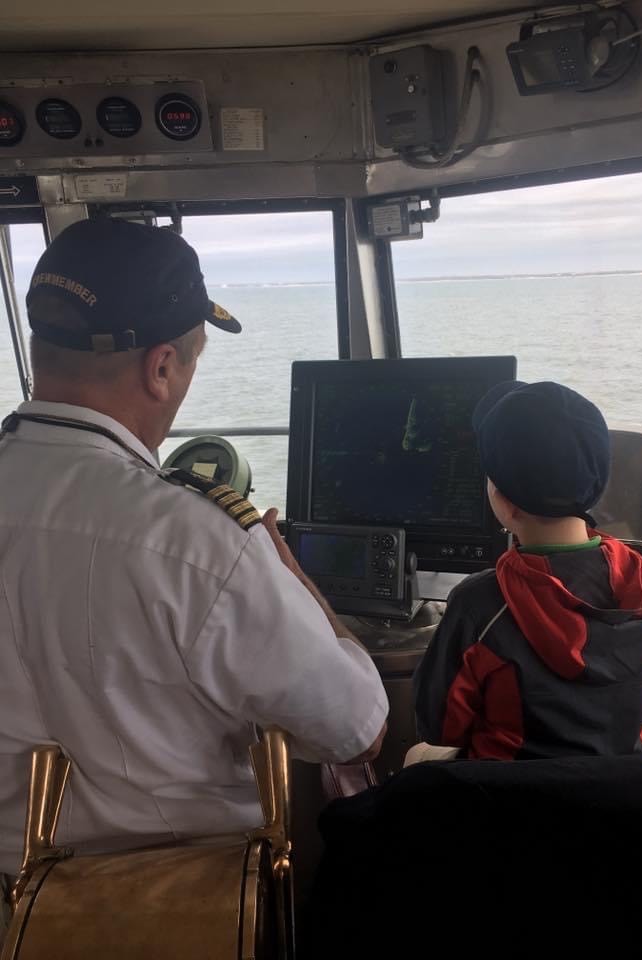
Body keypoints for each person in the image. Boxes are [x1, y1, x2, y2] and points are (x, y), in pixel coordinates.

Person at [0, 218, 388, 883]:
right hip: (183, 907)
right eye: (191, 361)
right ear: (160, 368)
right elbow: (356, 732)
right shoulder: (202, 544)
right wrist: (295, 583)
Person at [414, 380, 642, 760]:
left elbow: (439, 726)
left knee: (417, 755)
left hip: (503, 788)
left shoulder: (479, 605)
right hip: (618, 788)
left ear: (505, 502)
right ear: (596, 487)